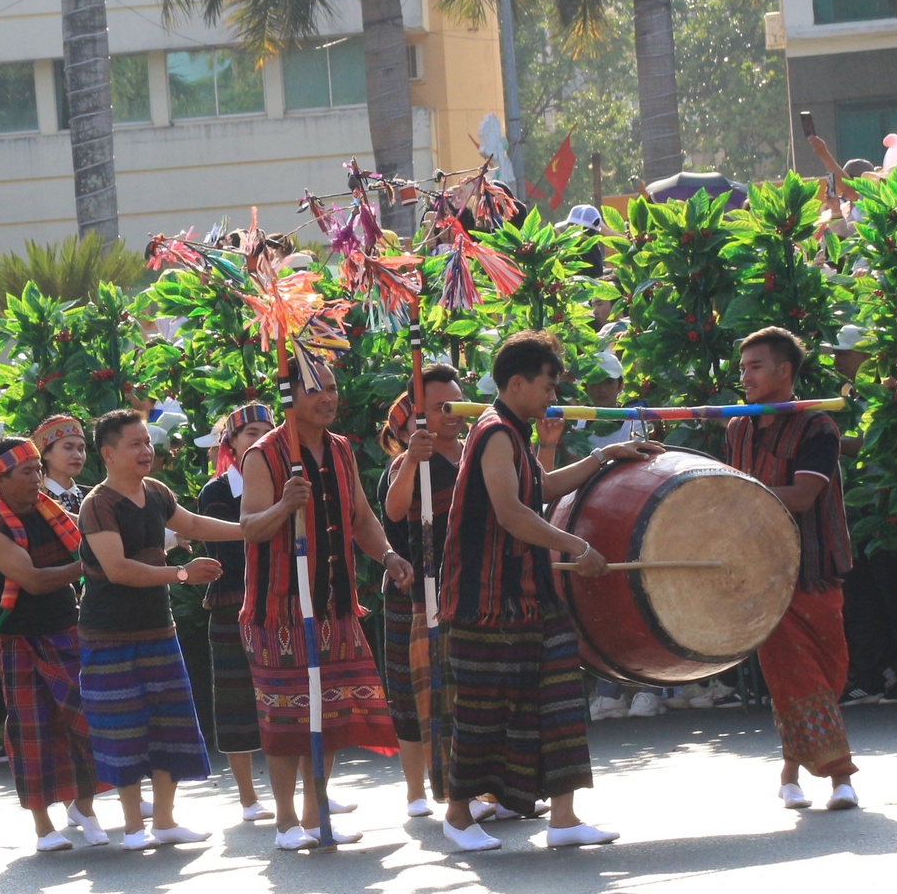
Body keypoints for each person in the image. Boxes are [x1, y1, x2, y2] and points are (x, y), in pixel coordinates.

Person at [438, 331, 659, 852]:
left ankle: (564, 818)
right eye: (546, 386)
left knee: (559, 700)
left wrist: (606, 456)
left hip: (530, 594)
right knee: (482, 711)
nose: (551, 397)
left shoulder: (513, 432)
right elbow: (511, 513)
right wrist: (575, 547)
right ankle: (456, 816)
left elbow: (542, 488)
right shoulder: (493, 433)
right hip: (486, 600)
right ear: (516, 384)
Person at [237, 361, 408, 852]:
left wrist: (390, 555)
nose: (329, 397)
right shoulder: (263, 455)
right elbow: (251, 528)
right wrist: (283, 506)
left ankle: (315, 814)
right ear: (290, 398)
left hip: (334, 604)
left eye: (332, 388)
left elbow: (361, 518)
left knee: (329, 715)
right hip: (280, 611)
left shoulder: (340, 450)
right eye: (317, 390)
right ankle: (286, 821)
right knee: (286, 720)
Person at [77, 409, 246, 848]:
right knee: (124, 729)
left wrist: (251, 531)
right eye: (134, 444)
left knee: (169, 725)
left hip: (158, 629)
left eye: (147, 442)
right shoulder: (97, 503)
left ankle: (166, 821)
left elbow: (192, 525)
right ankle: (134, 827)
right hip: (109, 635)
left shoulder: (155, 491)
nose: (146, 450)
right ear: (108, 453)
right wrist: (181, 574)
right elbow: (117, 569)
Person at [725, 327, 860, 810]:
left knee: (827, 674)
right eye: (743, 368)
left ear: (785, 371)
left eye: (755, 366)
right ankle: (841, 775)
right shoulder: (737, 426)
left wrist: (735, 494)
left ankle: (788, 771)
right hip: (763, 574)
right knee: (793, 672)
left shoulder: (817, 426)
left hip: (816, 565)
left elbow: (803, 495)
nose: (745, 376)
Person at [0, 437, 103, 851]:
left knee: (87, 719)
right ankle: (44, 826)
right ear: (0, 480)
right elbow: (35, 580)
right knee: (33, 732)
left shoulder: (54, 513)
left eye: (37, 470)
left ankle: (84, 806)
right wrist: (95, 563)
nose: (36, 479)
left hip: (67, 629)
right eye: (26, 472)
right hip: (20, 640)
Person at [376, 367, 466, 817]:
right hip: (410, 594)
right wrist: (413, 459)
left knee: (463, 693)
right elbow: (393, 510)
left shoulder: (475, 452)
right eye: (435, 408)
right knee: (413, 699)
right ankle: (418, 790)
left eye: (456, 401)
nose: (449, 413)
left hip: (461, 589)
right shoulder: (403, 466)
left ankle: (474, 788)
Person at [193, 405, 274, 822]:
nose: (260, 439)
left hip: (281, 603)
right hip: (234, 607)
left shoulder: (285, 482)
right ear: (232, 443)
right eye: (250, 433)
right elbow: (233, 552)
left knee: (290, 698)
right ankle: (247, 797)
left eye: (267, 431)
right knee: (236, 702)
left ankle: (308, 791)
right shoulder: (217, 491)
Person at [33, 414, 87, 514]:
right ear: (45, 453)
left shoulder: (94, 497)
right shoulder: (34, 501)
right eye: (68, 448)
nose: (78, 456)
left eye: (81, 449)